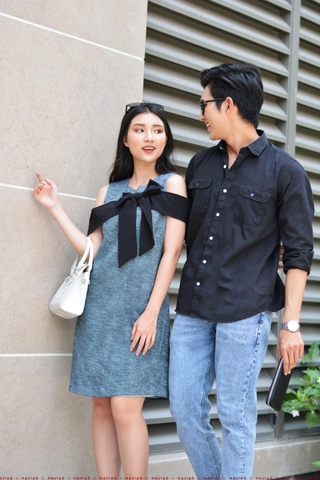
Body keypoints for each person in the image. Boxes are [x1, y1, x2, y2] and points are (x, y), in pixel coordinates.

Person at [169, 63, 314, 480]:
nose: (201, 115)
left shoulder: (286, 173)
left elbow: (299, 253)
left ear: (228, 104)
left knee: (235, 414)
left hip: (244, 312)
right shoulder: (200, 164)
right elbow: (182, 235)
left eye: (205, 105)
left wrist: (290, 323)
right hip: (194, 308)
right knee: (183, 406)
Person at [33, 102, 189, 480]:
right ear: (125, 138)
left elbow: (171, 253)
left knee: (124, 407)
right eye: (139, 129)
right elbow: (91, 249)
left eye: (156, 130)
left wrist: (152, 313)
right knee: (101, 405)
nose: (148, 137)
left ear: (165, 139)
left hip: (141, 310)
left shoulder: (172, 184)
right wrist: (54, 207)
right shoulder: (110, 190)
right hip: (99, 309)